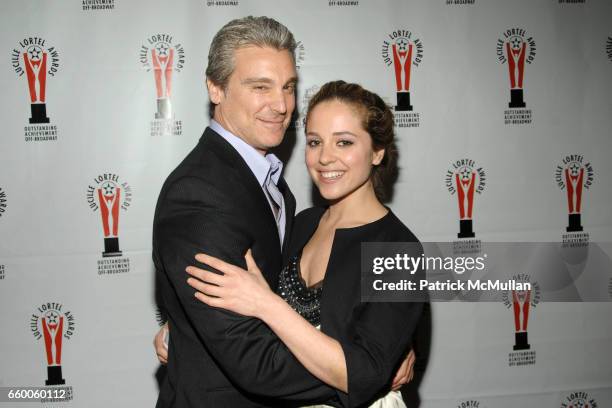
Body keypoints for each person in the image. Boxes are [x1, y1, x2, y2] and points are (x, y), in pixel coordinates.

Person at [153, 17, 415, 408]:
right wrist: (369, 372)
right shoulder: (205, 194)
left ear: (378, 151)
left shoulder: (277, 190)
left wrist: (383, 352)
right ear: (215, 88)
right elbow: (251, 353)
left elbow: (275, 296)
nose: (280, 105)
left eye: (288, 87)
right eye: (260, 86)